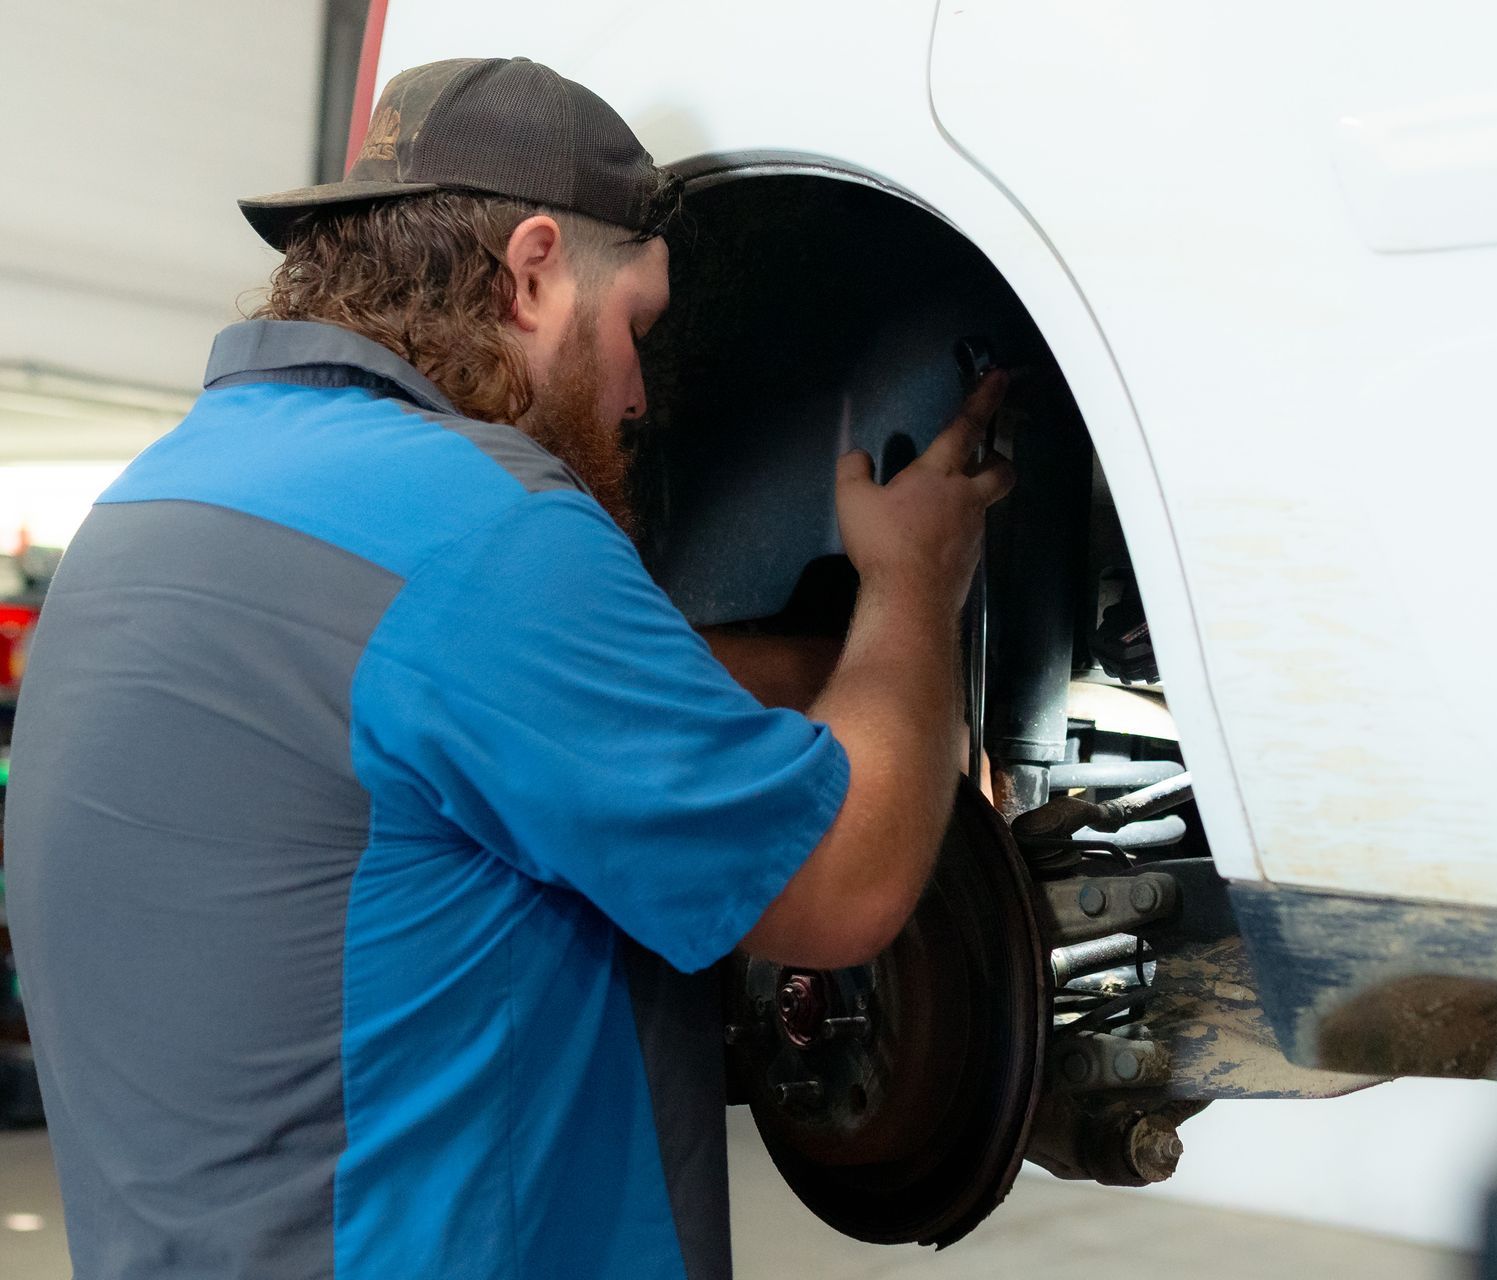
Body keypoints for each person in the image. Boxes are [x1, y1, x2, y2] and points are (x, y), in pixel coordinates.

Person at [3, 56, 1011, 1280]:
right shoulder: (486, 525)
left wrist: (822, 667)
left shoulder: (165, 495)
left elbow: (443, 724)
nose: (642, 391)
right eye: (639, 321)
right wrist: (913, 588)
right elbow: (843, 891)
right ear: (533, 267)